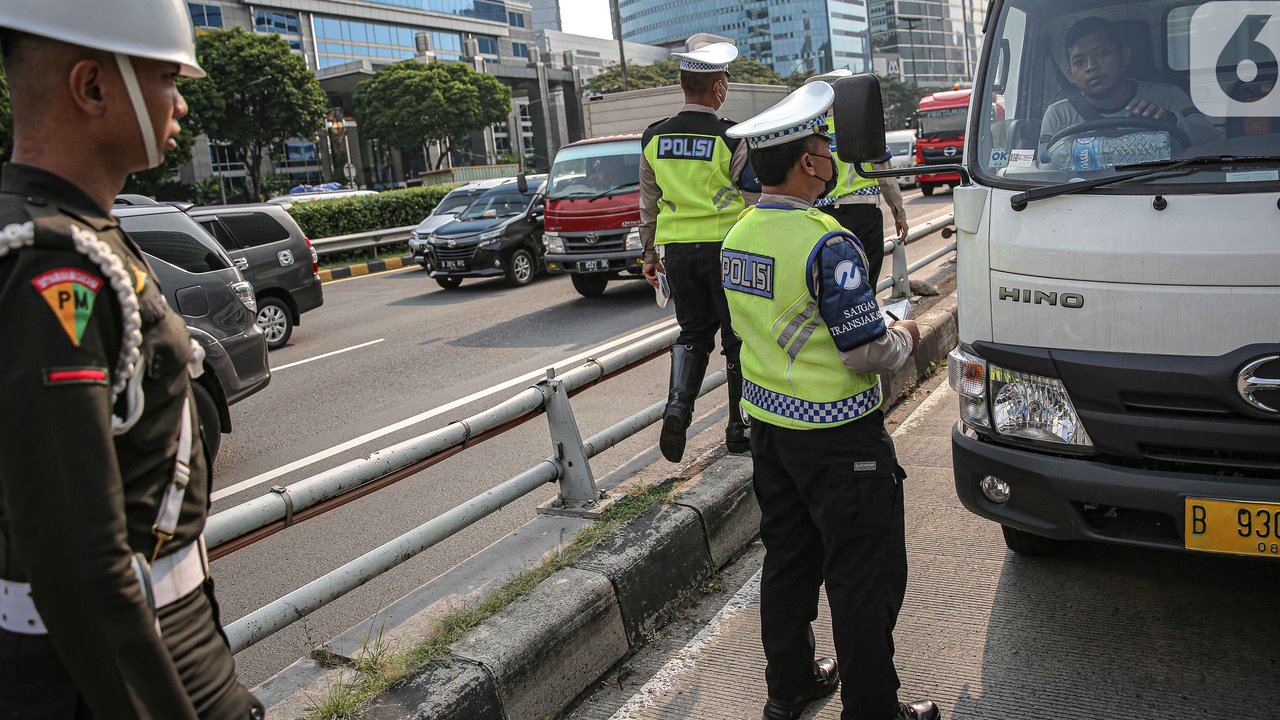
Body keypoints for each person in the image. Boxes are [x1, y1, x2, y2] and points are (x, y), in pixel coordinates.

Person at [0, 3, 263, 718]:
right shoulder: (52, 268)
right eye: (164, 77)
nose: (180, 102)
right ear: (91, 88)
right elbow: (81, 561)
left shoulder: (80, 234)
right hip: (108, 673)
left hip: (165, 640)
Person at [721, 82, 938, 720]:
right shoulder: (829, 243)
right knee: (862, 576)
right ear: (809, 163)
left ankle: (788, 688)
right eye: (824, 143)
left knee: (789, 560)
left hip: (770, 431)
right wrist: (906, 333)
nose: (830, 152)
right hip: (840, 440)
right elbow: (864, 351)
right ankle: (873, 710)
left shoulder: (738, 236)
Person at [639, 40, 760, 463]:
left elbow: (648, 201)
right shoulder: (730, 135)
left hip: (677, 252)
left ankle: (677, 408)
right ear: (718, 88)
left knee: (692, 334)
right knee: (736, 339)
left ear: (681, 84)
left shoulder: (653, 136)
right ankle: (738, 428)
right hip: (727, 249)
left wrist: (649, 256)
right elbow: (752, 197)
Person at [1039, 16, 1219, 162]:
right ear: (1071, 74)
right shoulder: (1058, 115)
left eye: (1102, 53)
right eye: (1079, 61)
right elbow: (1045, 164)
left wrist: (1170, 120)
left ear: (1124, 55)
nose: (1091, 66)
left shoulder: (1167, 95)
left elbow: (1212, 139)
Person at [805, 69, 909, 289]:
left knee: (833, 282)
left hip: (822, 218)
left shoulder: (810, 132)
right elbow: (886, 179)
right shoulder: (863, 127)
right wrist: (899, 214)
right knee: (865, 280)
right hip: (863, 213)